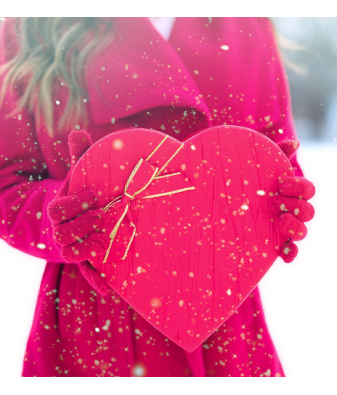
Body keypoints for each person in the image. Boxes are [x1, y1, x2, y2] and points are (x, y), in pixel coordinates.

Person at [0, 17, 314, 377]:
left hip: (224, 312)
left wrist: (282, 205)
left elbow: (278, 157)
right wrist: (67, 217)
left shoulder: (243, 22)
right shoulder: (35, 23)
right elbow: (8, 183)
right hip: (99, 316)